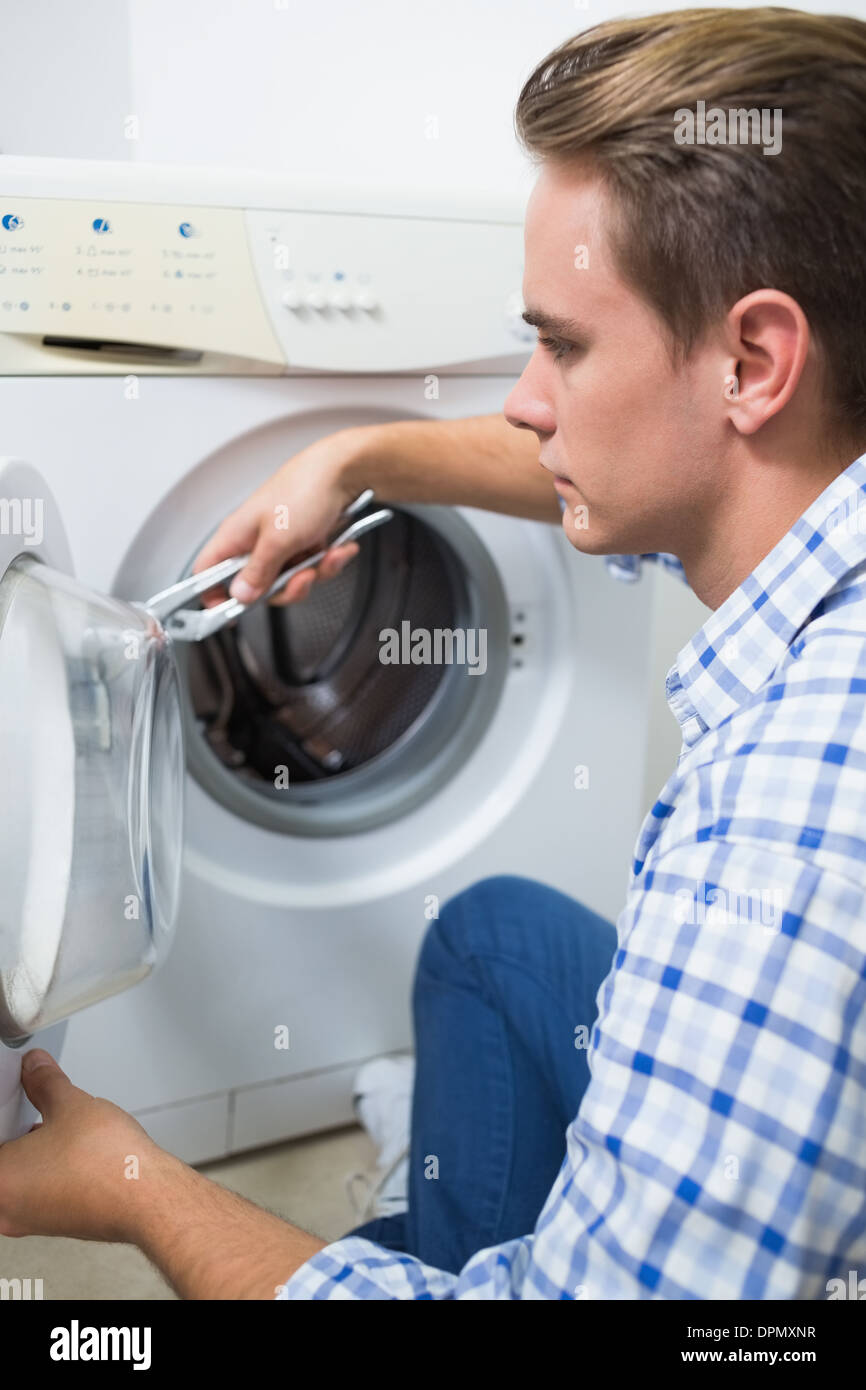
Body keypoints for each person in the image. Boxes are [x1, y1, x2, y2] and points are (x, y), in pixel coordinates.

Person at [2, 5, 866, 1299]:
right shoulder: (809, 506)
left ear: (753, 359)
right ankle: (437, 1241)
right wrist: (350, 454)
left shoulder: (789, 824)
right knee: (493, 932)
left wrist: (127, 1183)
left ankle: (430, 1265)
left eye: (563, 345)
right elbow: (602, 474)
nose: (522, 401)